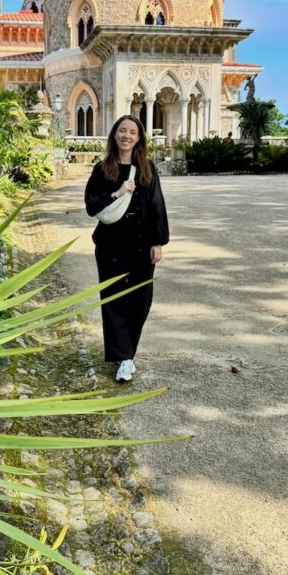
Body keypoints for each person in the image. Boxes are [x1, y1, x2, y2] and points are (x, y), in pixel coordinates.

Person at [85, 116, 169, 383]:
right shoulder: (102, 169)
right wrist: (117, 193)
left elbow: (156, 205)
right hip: (111, 245)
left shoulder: (146, 168)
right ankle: (124, 357)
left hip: (141, 244)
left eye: (133, 132)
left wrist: (157, 242)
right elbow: (91, 205)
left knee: (141, 299)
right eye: (122, 130)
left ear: (139, 138)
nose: (127, 136)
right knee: (113, 299)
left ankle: (127, 352)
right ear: (114, 135)